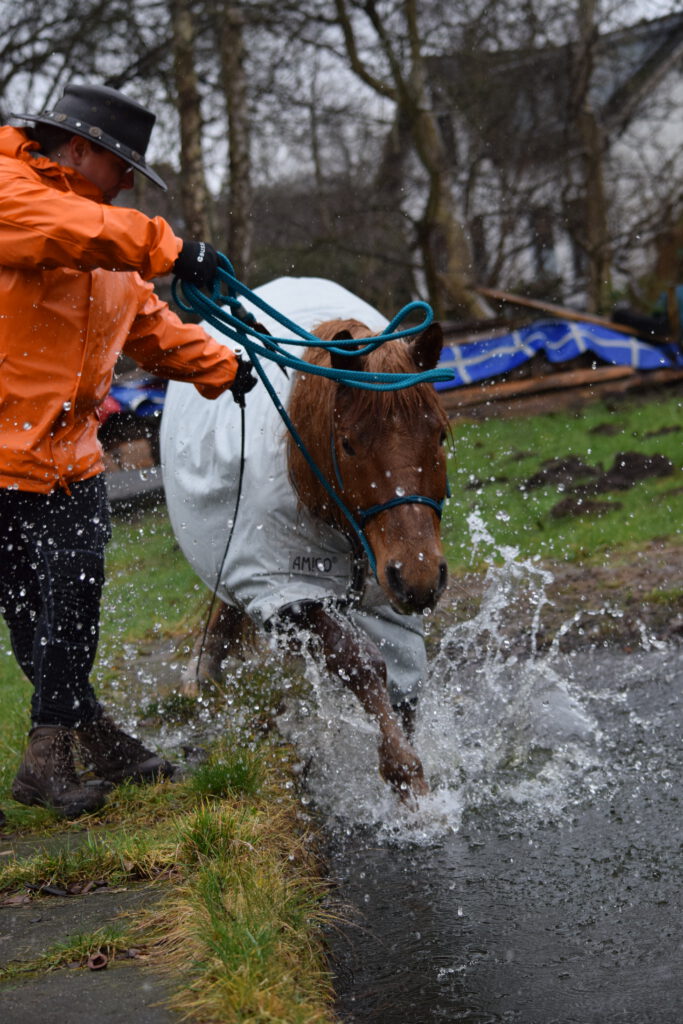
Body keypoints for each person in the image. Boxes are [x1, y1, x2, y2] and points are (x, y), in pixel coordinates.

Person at [0, 81, 256, 820]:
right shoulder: (16, 194)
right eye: (121, 170)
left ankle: (60, 749)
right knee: (33, 612)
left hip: (67, 455)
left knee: (71, 598)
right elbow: (66, 231)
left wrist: (226, 368)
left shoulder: (103, 232)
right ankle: (83, 743)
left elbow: (147, 325)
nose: (126, 189)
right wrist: (174, 248)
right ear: (79, 149)